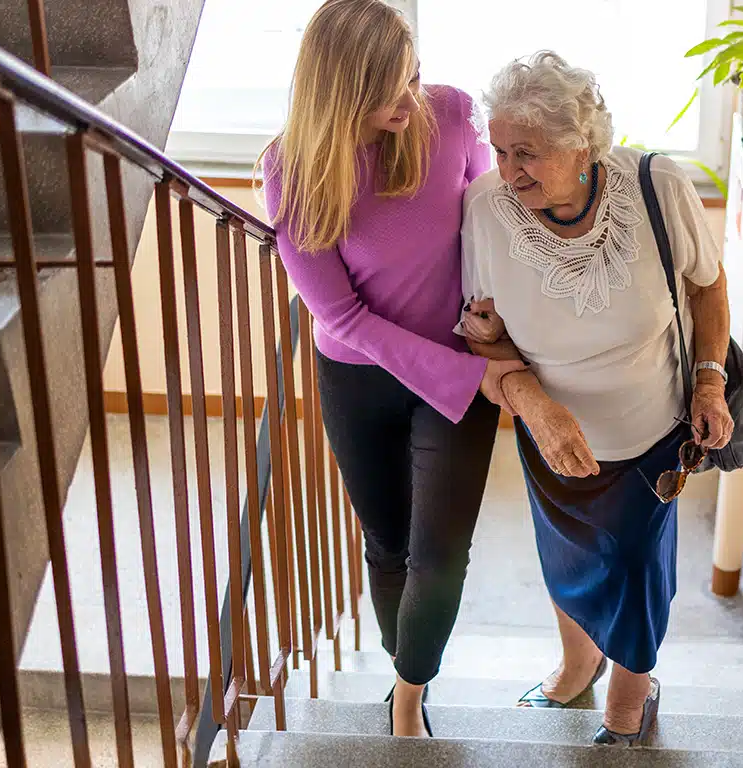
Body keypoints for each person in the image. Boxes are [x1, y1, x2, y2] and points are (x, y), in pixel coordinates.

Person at [262, 0, 526, 738]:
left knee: (439, 553)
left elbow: (489, 221)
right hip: (360, 376)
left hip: (459, 366)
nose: (411, 100)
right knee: (388, 545)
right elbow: (341, 317)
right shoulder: (292, 171)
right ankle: (406, 661)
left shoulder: (447, 115)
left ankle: (408, 695)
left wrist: (489, 322)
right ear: (342, 91)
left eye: (414, 78)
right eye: (392, 91)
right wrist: (468, 377)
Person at [457, 51, 735, 745]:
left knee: (638, 569)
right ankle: (578, 663)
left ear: (583, 145)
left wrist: (708, 377)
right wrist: (533, 404)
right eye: (499, 149)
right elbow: (482, 332)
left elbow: (707, 285)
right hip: (549, 435)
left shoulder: (656, 185)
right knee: (570, 559)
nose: (509, 169)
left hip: (652, 436)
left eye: (529, 152)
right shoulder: (486, 210)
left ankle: (627, 703)